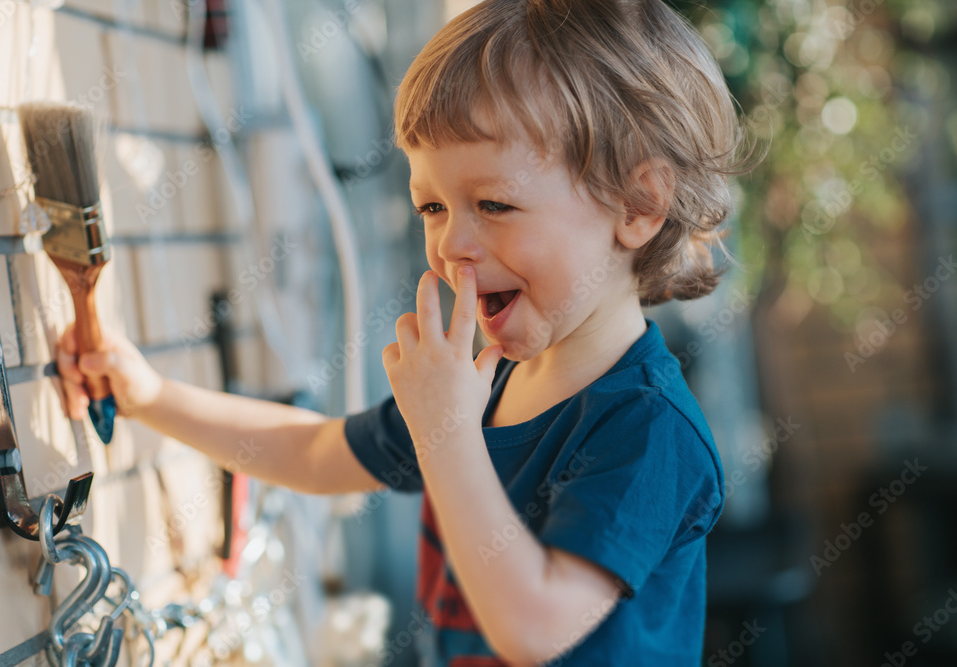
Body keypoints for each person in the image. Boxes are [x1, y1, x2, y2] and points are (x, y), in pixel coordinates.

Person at [59, 0, 753, 663]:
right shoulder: (480, 387)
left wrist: (445, 431)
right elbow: (314, 452)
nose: (452, 243)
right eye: (430, 205)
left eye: (493, 203)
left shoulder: (648, 430)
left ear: (638, 205)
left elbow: (531, 624)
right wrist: (148, 393)